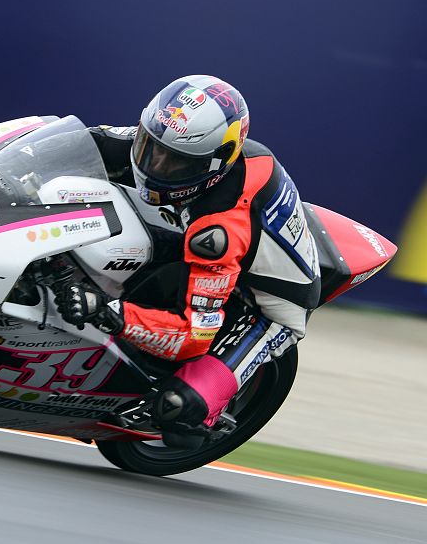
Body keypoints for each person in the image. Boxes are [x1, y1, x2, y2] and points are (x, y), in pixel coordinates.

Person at [54, 75, 320, 448]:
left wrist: (108, 312)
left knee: (180, 409)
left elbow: (194, 336)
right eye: (151, 147)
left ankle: (201, 417)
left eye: (175, 163)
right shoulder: (171, 140)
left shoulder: (218, 230)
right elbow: (83, 144)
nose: (156, 165)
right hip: (218, 242)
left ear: (213, 164)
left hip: (265, 305)